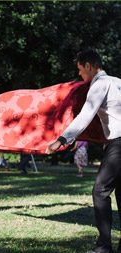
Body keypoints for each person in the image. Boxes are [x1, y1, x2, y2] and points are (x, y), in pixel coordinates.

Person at [46, 49, 121, 253]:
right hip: (116, 142)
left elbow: (85, 115)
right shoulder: (117, 81)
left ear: (88, 66)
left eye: (80, 69)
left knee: (100, 191)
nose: (79, 75)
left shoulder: (99, 84)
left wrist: (61, 140)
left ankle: (104, 247)